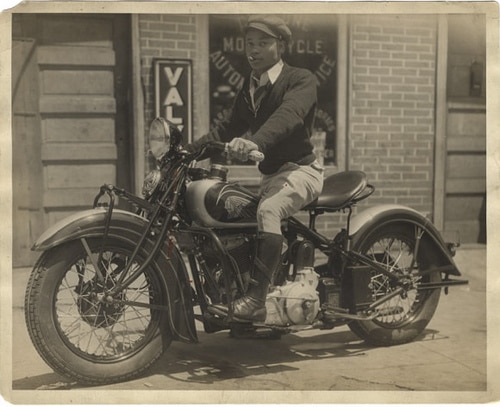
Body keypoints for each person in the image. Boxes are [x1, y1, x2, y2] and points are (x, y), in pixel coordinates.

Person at [187, 15, 324, 322]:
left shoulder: (300, 79)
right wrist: (188, 149)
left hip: (301, 171)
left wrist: (255, 141)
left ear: (281, 45)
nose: (255, 50)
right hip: (274, 176)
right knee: (237, 213)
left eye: (264, 43)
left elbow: (289, 116)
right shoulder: (251, 87)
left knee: (268, 212)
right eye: (250, 43)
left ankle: (256, 301)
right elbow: (225, 127)